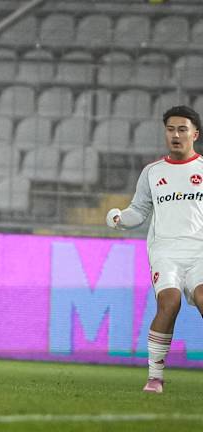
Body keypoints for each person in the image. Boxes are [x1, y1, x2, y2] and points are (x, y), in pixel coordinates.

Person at [106, 105, 203, 394]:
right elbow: (139, 211)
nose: (175, 134)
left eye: (182, 129)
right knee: (169, 302)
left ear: (195, 134)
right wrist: (121, 219)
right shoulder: (153, 172)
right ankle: (155, 378)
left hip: (200, 250)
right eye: (170, 129)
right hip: (165, 251)